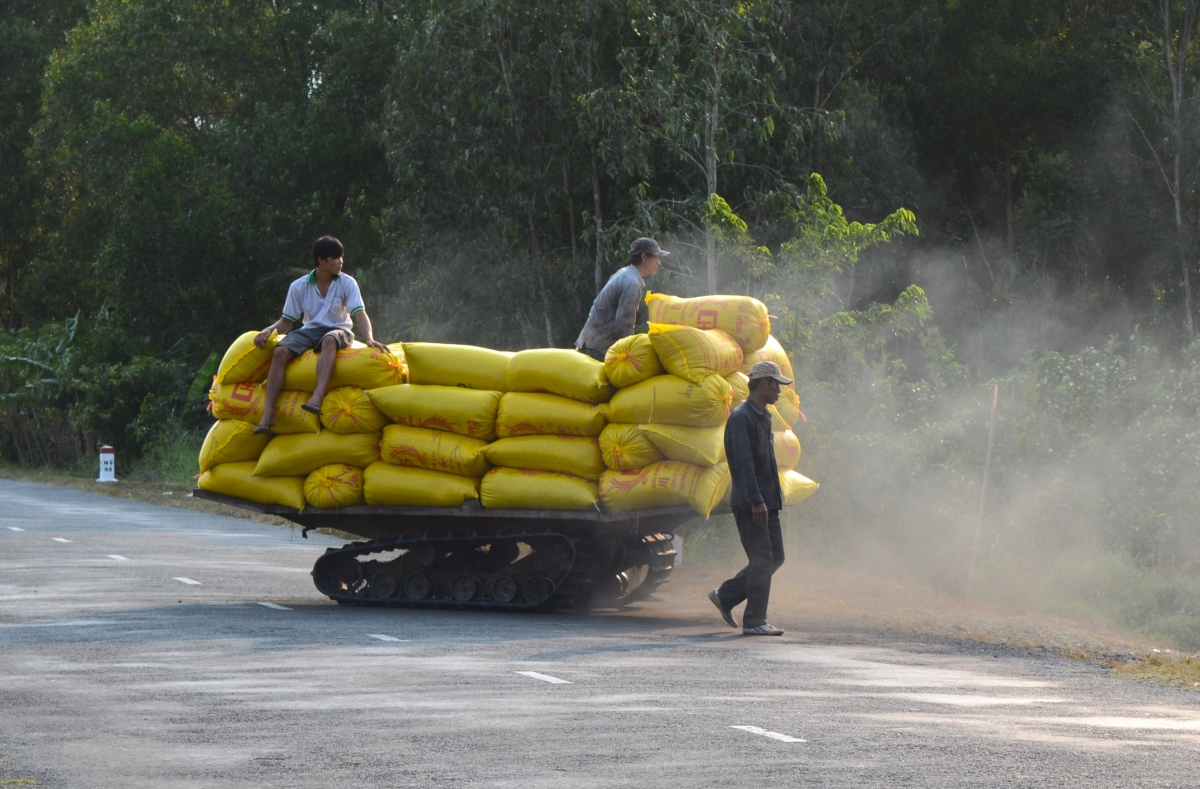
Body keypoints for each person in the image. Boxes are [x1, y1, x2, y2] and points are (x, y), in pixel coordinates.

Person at [251, 236, 388, 435]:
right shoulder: (298, 286)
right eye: (336, 258)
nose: (341, 261)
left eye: (341, 257)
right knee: (280, 352)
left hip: (340, 329)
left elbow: (359, 313)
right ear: (321, 260)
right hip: (309, 330)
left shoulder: (347, 283)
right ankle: (268, 414)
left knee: (330, 340)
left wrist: (368, 339)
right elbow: (286, 322)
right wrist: (268, 330)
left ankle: (317, 396)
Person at [708, 360, 792, 636]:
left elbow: (765, 464)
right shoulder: (741, 417)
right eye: (776, 385)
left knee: (775, 557)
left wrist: (770, 500)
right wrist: (756, 500)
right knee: (762, 559)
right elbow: (743, 465)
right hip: (751, 503)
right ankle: (755, 620)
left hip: (767, 501)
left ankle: (727, 595)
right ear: (763, 384)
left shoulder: (763, 416)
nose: (779, 391)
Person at [575, 237, 669, 361]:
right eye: (656, 258)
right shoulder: (632, 283)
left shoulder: (624, 273)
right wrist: (630, 354)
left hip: (590, 343)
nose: (659, 263)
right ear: (644, 257)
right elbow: (624, 325)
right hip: (599, 349)